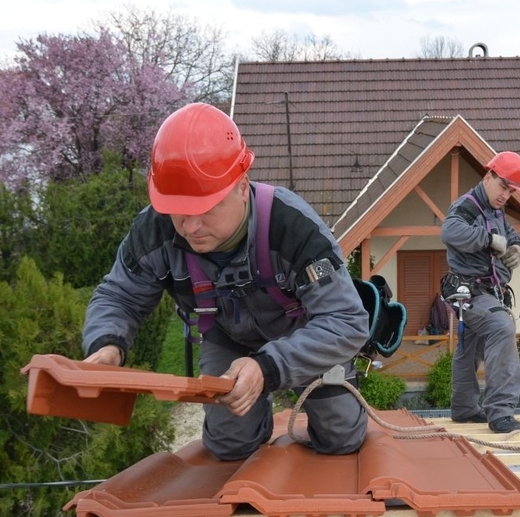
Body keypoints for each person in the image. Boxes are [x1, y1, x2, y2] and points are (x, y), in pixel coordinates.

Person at [82, 103, 371, 461]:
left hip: (305, 333)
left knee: (340, 436)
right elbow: (119, 295)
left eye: (205, 209)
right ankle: (255, 425)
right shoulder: (153, 230)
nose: (190, 227)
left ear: (241, 187)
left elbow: (346, 321)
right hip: (227, 335)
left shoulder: (295, 229)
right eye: (179, 211)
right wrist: (107, 343)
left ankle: (324, 402)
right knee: (229, 445)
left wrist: (267, 367)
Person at [440, 151, 520, 434]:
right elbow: (450, 232)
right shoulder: (467, 207)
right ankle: (501, 414)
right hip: (470, 292)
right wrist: (489, 240)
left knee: (472, 347)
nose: (506, 195)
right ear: (488, 176)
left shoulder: (496, 209)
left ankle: (465, 409)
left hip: (487, 291)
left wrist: (516, 247)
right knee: (501, 326)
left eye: (511, 191)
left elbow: (511, 234)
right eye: (503, 186)